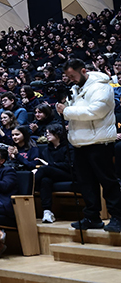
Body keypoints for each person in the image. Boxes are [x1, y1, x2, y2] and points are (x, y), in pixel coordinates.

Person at [57, 58, 121, 232]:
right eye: (68, 76)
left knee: (108, 182)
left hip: (99, 142)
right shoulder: (76, 88)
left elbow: (96, 111)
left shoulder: (101, 86)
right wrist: (63, 107)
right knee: (86, 183)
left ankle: (118, 217)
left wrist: (67, 111)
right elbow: (73, 111)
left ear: (83, 71)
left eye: (73, 75)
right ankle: (92, 217)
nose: (71, 79)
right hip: (80, 143)